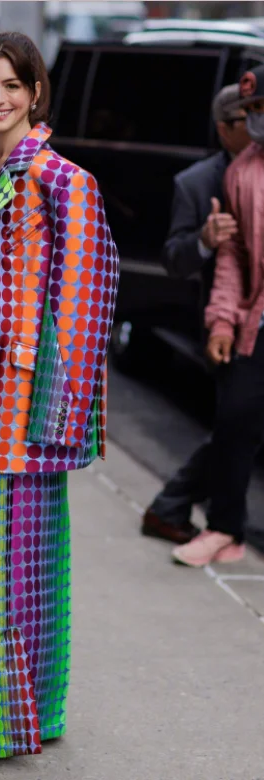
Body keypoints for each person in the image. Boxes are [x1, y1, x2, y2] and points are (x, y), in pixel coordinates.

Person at [0, 32, 119, 759]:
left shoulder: (61, 180)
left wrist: (56, 420)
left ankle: (3, 727)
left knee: (8, 573)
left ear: (36, 91)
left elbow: (84, 305)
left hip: (15, 413)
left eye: (12, 84)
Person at [141, 84, 251, 545]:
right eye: (252, 119)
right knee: (238, 426)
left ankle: (172, 507)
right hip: (224, 322)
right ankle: (172, 506)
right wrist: (205, 240)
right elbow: (173, 257)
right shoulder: (198, 182)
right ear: (225, 129)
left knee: (242, 426)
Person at [171, 64, 264, 567]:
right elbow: (232, 258)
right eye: (251, 112)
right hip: (255, 324)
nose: (256, 120)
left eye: (262, 109)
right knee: (234, 421)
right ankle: (225, 529)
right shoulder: (240, 172)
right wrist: (222, 322)